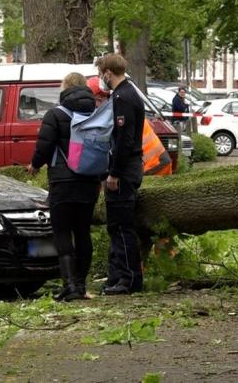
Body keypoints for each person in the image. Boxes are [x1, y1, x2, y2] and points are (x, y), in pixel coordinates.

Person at [28, 72, 100, 301]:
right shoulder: (95, 114)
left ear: (65, 88)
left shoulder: (55, 114)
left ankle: (68, 285)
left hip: (62, 180)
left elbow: (45, 145)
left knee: (62, 232)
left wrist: (35, 165)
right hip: (89, 180)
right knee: (83, 233)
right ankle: (80, 285)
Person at [95, 54, 145, 295]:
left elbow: (124, 140)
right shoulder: (122, 94)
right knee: (115, 226)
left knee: (122, 226)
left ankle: (129, 279)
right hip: (125, 168)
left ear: (107, 73)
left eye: (100, 74)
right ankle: (116, 277)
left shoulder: (123, 97)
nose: (100, 79)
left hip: (124, 171)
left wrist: (114, 173)